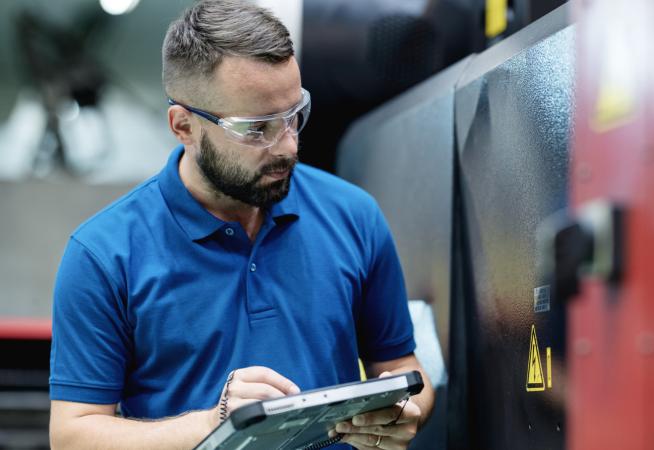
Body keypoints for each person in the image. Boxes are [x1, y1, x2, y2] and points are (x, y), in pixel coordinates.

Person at [48, 1, 434, 448]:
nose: (287, 146)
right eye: (256, 129)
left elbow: (402, 367)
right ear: (184, 126)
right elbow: (73, 435)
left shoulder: (353, 216)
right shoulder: (104, 254)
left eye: (294, 115)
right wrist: (215, 422)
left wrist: (406, 412)